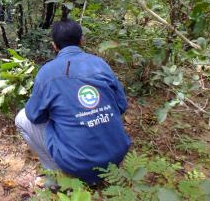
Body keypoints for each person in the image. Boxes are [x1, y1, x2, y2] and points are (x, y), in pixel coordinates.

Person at [15, 19, 131, 185]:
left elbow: (34, 116)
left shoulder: (47, 72)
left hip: (78, 164)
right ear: (81, 40)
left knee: (21, 118)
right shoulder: (100, 64)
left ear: (54, 45)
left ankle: (56, 178)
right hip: (117, 156)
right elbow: (121, 105)